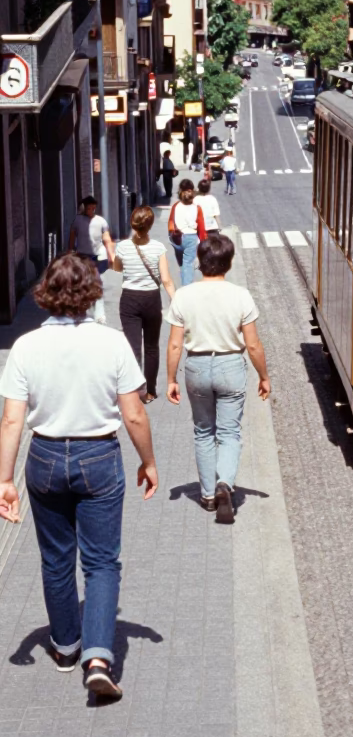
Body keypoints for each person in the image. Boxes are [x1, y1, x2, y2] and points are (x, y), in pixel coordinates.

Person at [0, 254, 157, 700]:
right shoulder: (111, 344)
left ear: (46, 292)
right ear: (91, 291)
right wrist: (149, 461)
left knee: (56, 559)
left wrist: (4, 480)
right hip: (99, 456)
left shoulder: (26, 346)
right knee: (102, 562)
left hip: (44, 456)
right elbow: (135, 414)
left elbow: (12, 421)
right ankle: (99, 659)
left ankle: (66, 647)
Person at [165, 234, 270, 523]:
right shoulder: (240, 295)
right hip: (231, 366)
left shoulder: (184, 295)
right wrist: (264, 376)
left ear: (199, 262)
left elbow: (174, 344)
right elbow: (253, 345)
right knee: (229, 432)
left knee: (203, 432)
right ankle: (225, 481)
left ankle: (209, 496)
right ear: (229, 262)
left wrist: (171, 379)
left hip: (197, 366)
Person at [113, 206, 176, 403]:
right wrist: (177, 301)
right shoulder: (158, 248)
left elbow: (116, 268)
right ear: (149, 226)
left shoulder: (123, 247)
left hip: (130, 299)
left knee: (132, 347)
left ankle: (133, 390)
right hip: (151, 299)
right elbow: (166, 279)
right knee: (151, 347)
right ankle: (150, 391)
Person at [68, 196, 115, 324]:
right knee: (81, 284)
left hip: (96, 256)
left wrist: (111, 255)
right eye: (89, 208)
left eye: (93, 208)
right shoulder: (78, 220)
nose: (91, 211)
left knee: (96, 283)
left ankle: (99, 315)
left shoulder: (101, 221)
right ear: (84, 208)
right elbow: (72, 235)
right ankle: (81, 312)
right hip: (82, 256)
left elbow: (106, 238)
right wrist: (70, 251)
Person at [167, 180, 205, 286]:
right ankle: (186, 289)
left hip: (177, 238)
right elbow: (201, 228)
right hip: (191, 239)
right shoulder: (197, 208)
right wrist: (203, 243)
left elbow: (171, 222)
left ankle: (184, 279)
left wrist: (171, 235)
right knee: (188, 264)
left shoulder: (175, 206)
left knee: (182, 264)